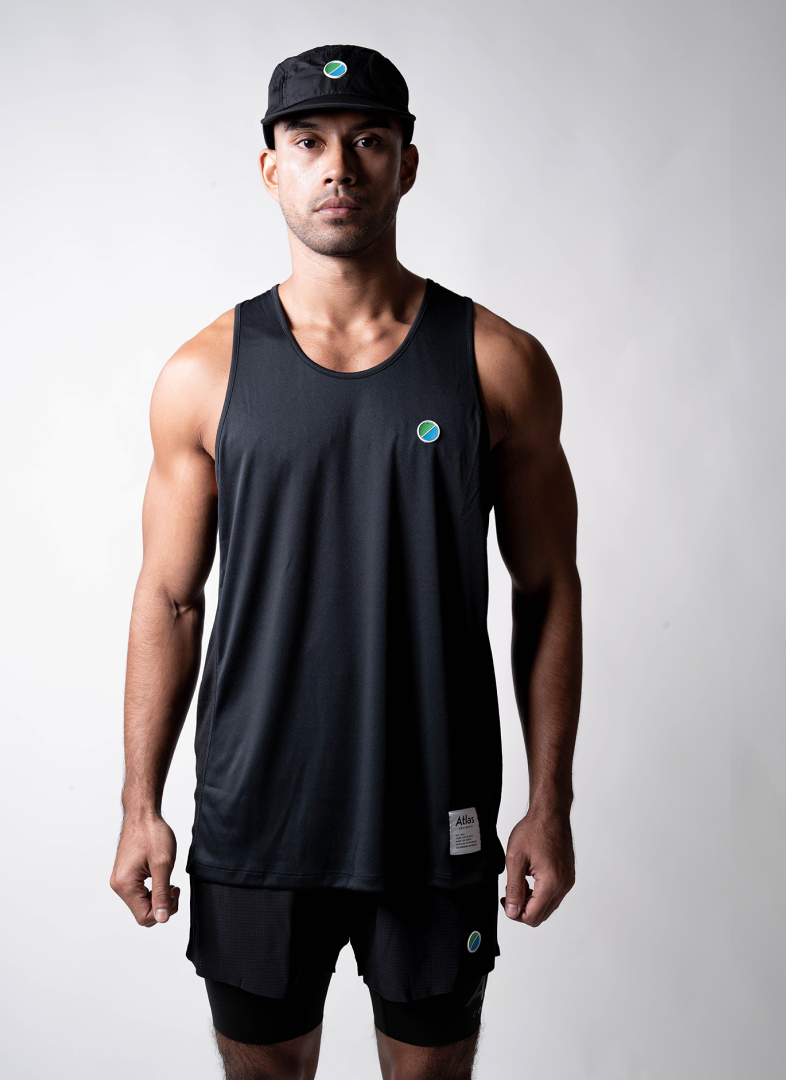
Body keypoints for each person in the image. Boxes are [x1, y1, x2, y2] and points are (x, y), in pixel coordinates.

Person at [110, 44, 582, 1080]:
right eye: (309, 142)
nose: (338, 166)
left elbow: (547, 589)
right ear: (270, 167)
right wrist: (140, 806)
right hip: (257, 819)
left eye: (368, 140)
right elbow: (171, 599)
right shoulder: (204, 373)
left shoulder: (497, 362)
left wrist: (549, 805)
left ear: (406, 164)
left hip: (437, 816)